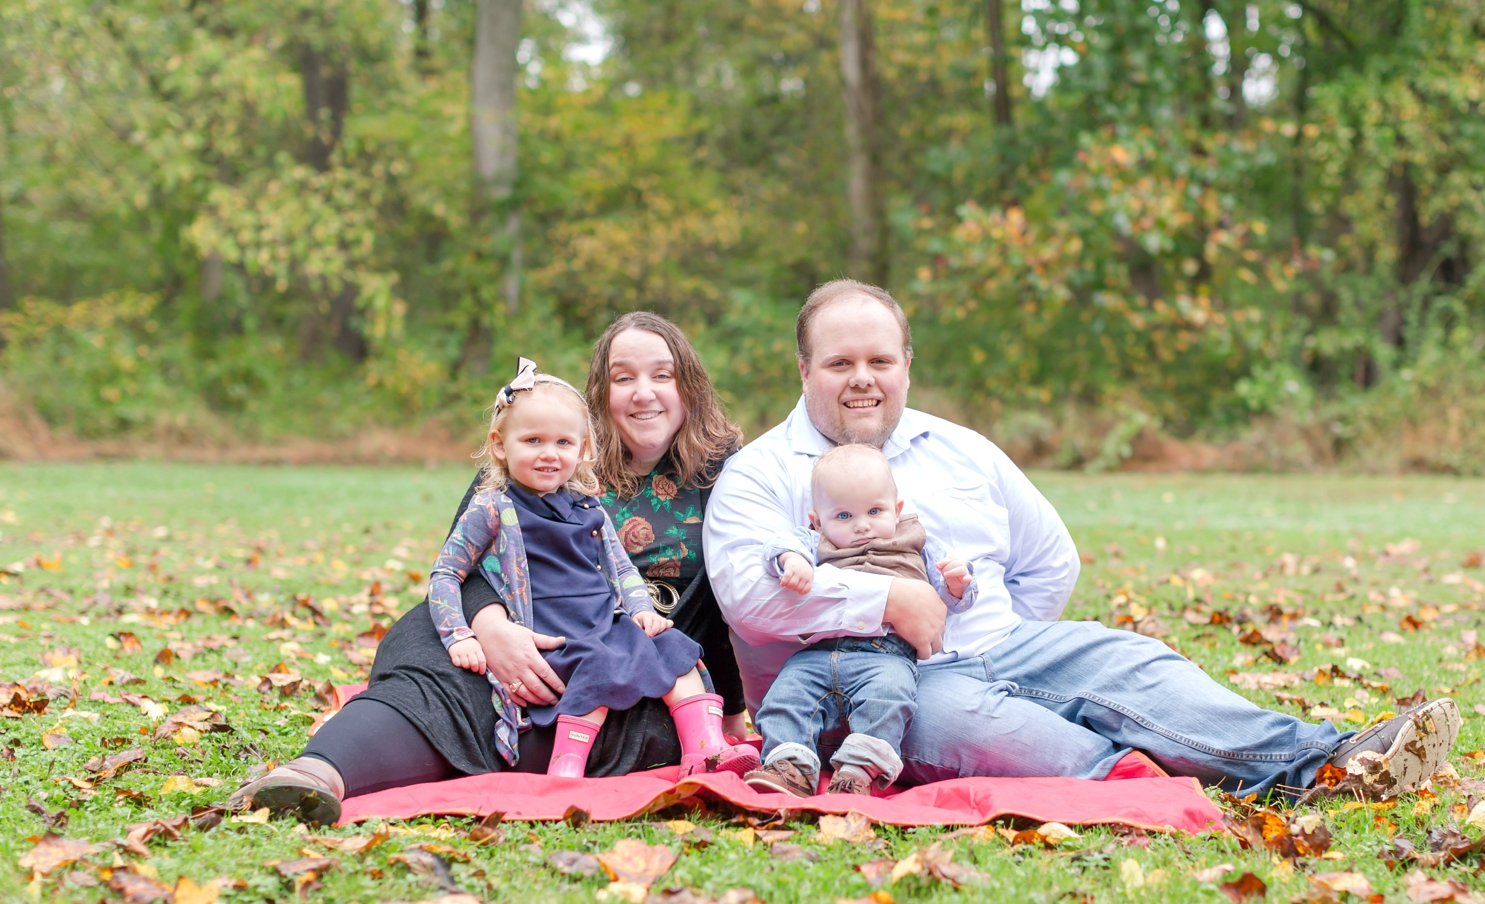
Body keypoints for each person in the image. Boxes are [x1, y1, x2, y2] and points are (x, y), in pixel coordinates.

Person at [704, 279, 1461, 800]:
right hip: (857, 691)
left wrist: (1010, 645)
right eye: (839, 363)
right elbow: (752, 598)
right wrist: (891, 600)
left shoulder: (960, 450)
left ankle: (1328, 761)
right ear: (804, 370)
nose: (861, 379)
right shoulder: (764, 471)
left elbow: (1049, 561)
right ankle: (1149, 786)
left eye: (879, 361)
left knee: (1131, 662)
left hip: (1001, 643)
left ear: (907, 365)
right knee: (984, 726)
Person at [232, 313, 749, 824]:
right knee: (431, 661)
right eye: (622, 378)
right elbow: (462, 565)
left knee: (618, 699)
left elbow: (732, 602)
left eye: (663, 374)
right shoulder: (532, 460)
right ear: (599, 395)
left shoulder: (728, 472)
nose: (643, 393)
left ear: (691, 386)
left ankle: (517, 749)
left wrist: (730, 715)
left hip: (628, 669)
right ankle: (319, 773)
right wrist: (491, 626)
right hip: (519, 633)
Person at [425, 359, 756, 779]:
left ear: (581, 450)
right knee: (597, 669)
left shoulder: (589, 506)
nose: (549, 454)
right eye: (532, 440)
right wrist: (460, 634)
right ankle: (567, 764)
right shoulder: (493, 507)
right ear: (499, 445)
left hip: (605, 622)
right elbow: (446, 573)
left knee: (677, 654)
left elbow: (622, 570)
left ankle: (704, 749)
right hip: (553, 631)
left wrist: (641, 610)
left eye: (563, 443)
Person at [745, 443, 974, 798]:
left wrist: (957, 586)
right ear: (817, 521)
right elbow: (778, 544)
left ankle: (857, 772)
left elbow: (943, 603)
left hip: (885, 657)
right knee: (785, 693)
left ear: (896, 510)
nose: (862, 526)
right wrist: (794, 561)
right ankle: (789, 765)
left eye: (874, 510)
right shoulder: (814, 541)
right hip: (818, 652)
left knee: (890, 698)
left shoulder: (918, 542)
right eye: (844, 517)